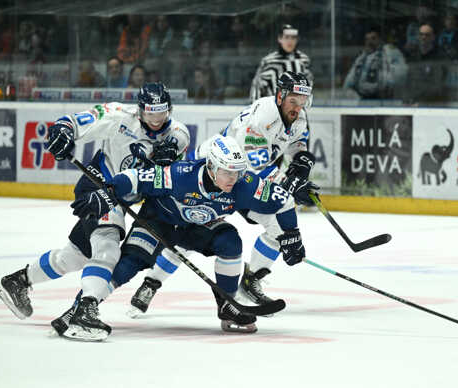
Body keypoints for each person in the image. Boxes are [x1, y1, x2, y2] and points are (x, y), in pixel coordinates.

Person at [0, 83, 191, 336]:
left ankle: (17, 281)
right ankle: (86, 310)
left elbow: (175, 169)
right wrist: (63, 130)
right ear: (140, 110)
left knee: (74, 256)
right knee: (107, 247)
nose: (156, 120)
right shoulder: (119, 115)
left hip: (123, 198)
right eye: (150, 114)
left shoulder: (178, 133)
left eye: (161, 114)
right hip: (99, 186)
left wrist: (168, 163)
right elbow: (77, 121)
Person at [58, 135, 305, 339]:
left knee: (230, 242)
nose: (234, 178)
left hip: (194, 226)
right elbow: (135, 178)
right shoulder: (181, 175)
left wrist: (292, 234)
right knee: (130, 263)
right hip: (159, 220)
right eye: (227, 172)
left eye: (237, 172)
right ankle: (82, 309)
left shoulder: (244, 183)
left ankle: (227, 305)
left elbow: (284, 201)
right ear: (211, 167)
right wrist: (109, 191)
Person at [128, 71, 317, 314]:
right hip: (214, 177)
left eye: (303, 102)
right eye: (293, 101)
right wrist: (289, 183)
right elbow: (255, 168)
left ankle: (251, 280)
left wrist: (301, 161)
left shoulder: (298, 117)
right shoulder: (261, 117)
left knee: (279, 228)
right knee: (189, 234)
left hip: (239, 181)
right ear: (280, 96)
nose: (298, 107)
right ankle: (151, 283)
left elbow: (295, 143)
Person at [249, 24, 313, 101]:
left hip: (298, 108)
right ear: (279, 39)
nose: (290, 41)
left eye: (293, 38)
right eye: (286, 37)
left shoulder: (304, 60)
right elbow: (257, 86)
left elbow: (309, 85)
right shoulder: (269, 61)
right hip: (273, 109)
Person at [343, 28, 407, 100]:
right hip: (362, 100)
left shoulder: (390, 52)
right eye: (367, 39)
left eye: (373, 38)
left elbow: (400, 75)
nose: (369, 42)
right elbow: (349, 81)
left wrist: (385, 87)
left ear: (380, 39)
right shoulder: (361, 58)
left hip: (384, 99)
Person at [401, 23, 450, 106]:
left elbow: (438, 85)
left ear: (433, 37)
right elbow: (408, 81)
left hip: (431, 104)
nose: (423, 37)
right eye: (421, 34)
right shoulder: (413, 56)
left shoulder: (440, 57)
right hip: (413, 102)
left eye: (427, 35)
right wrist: (406, 100)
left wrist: (423, 102)